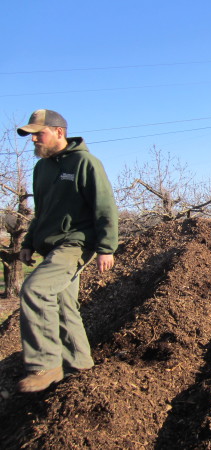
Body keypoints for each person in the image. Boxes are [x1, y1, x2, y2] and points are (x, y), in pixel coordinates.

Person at [16, 109, 119, 393]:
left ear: (59, 132)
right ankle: (80, 366)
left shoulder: (85, 163)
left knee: (35, 290)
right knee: (63, 304)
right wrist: (27, 242)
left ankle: (45, 365)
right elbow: (42, 212)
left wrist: (106, 248)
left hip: (76, 243)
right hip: (52, 244)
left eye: (39, 133)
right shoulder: (42, 168)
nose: (34, 139)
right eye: (31, 135)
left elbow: (105, 206)